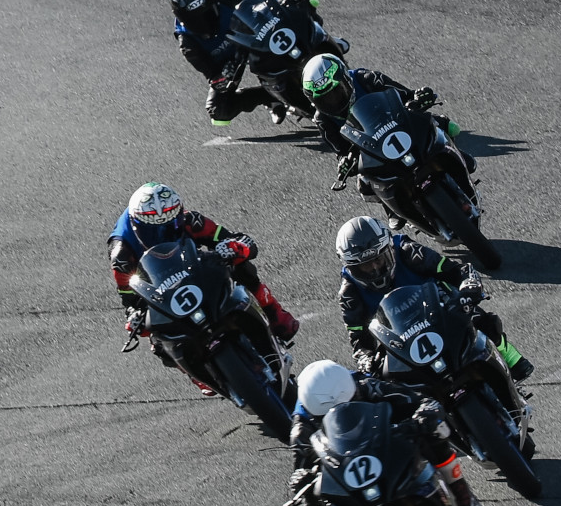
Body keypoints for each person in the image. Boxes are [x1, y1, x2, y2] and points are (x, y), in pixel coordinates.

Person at [109, 182, 300, 393]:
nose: (163, 234)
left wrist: (234, 247)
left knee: (240, 266)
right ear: (136, 226)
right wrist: (134, 315)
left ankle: (273, 312)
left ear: (179, 215)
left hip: (191, 266)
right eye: (153, 231)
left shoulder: (191, 221)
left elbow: (235, 239)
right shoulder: (121, 254)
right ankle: (196, 374)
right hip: (159, 284)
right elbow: (129, 296)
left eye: (170, 226)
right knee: (155, 338)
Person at [285, 359, 490, 506]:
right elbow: (311, 505)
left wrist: (424, 414)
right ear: (314, 414)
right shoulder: (301, 429)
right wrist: (303, 484)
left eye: (351, 402)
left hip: (386, 441)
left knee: (435, 430)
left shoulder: (364, 385)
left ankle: (462, 494)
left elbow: (421, 401)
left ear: (353, 392)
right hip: (349, 472)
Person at [334, 215, 534, 382]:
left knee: (481, 320)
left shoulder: (408, 251)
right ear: (351, 268)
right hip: (400, 340)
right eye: (364, 266)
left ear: (390, 249)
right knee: (380, 380)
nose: (375, 269)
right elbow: (358, 338)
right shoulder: (349, 293)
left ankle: (510, 358)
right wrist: (366, 359)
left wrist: (469, 286)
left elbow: (455, 271)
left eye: (378, 260)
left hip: (440, 311)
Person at [300, 53, 476, 229]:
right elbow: (342, 150)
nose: (333, 101)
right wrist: (345, 162)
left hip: (399, 124)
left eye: (336, 92)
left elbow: (406, 95)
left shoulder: (366, 79)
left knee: (448, 127)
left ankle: (454, 155)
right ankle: (393, 209)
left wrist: (419, 97)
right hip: (371, 146)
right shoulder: (323, 120)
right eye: (324, 99)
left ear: (346, 79)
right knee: (364, 184)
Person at [170, 0, 323, 126]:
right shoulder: (188, 43)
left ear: (213, 3)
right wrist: (223, 76)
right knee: (219, 111)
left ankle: (321, 44)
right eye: (195, 19)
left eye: (207, 14)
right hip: (230, 63)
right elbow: (213, 76)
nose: (203, 22)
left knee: (301, 8)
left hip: (253, 41)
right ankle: (272, 97)